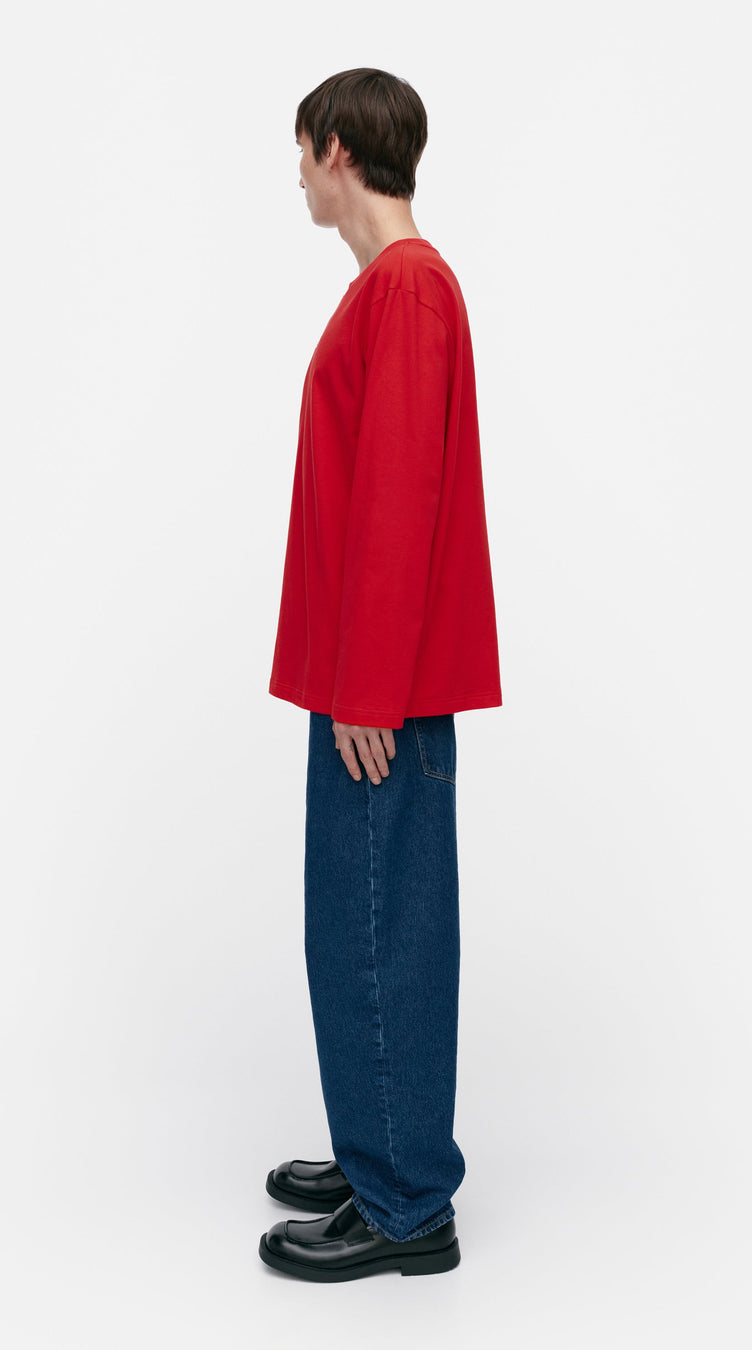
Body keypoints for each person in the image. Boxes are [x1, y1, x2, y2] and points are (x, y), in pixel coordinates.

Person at [259, 67, 502, 1282]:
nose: (296, 174)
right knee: (362, 913)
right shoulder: (398, 288)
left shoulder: (404, 289)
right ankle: (381, 1149)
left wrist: (367, 692)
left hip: (379, 691)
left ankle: (406, 1202)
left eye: (302, 150)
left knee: (374, 924)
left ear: (340, 150)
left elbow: (401, 494)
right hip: (370, 678)